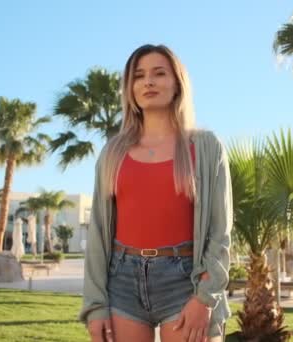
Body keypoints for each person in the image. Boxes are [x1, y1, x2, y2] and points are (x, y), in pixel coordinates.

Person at [79, 44, 232, 342]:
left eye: (159, 73)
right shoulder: (113, 152)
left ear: (177, 84)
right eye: (139, 76)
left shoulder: (205, 146)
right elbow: (98, 231)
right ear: (131, 89)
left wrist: (205, 296)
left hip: (186, 280)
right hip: (121, 282)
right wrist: (96, 306)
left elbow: (220, 229)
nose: (148, 81)